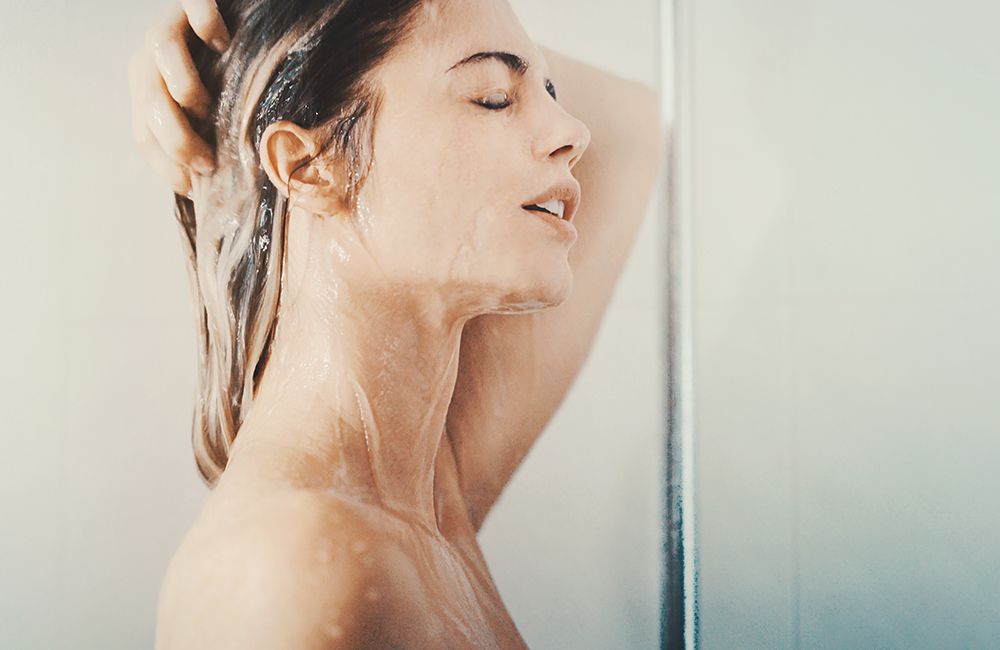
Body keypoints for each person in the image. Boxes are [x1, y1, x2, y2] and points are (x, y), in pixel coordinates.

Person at [128, 0, 663, 646]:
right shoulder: (294, 571)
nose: (571, 130)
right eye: (494, 96)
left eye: (549, 91)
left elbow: (631, 130)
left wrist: (253, 50)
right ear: (308, 165)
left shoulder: (428, 492)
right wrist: (261, 52)